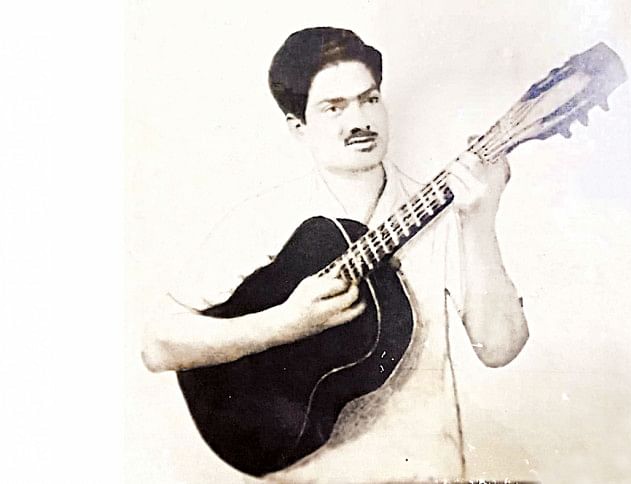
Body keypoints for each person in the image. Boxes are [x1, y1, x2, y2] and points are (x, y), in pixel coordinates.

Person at [142, 27, 529, 482]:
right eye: (334, 107)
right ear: (299, 127)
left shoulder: (449, 209)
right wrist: (282, 325)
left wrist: (479, 219)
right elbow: (157, 345)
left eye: (370, 99)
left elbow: (500, 348)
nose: (359, 120)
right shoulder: (261, 218)